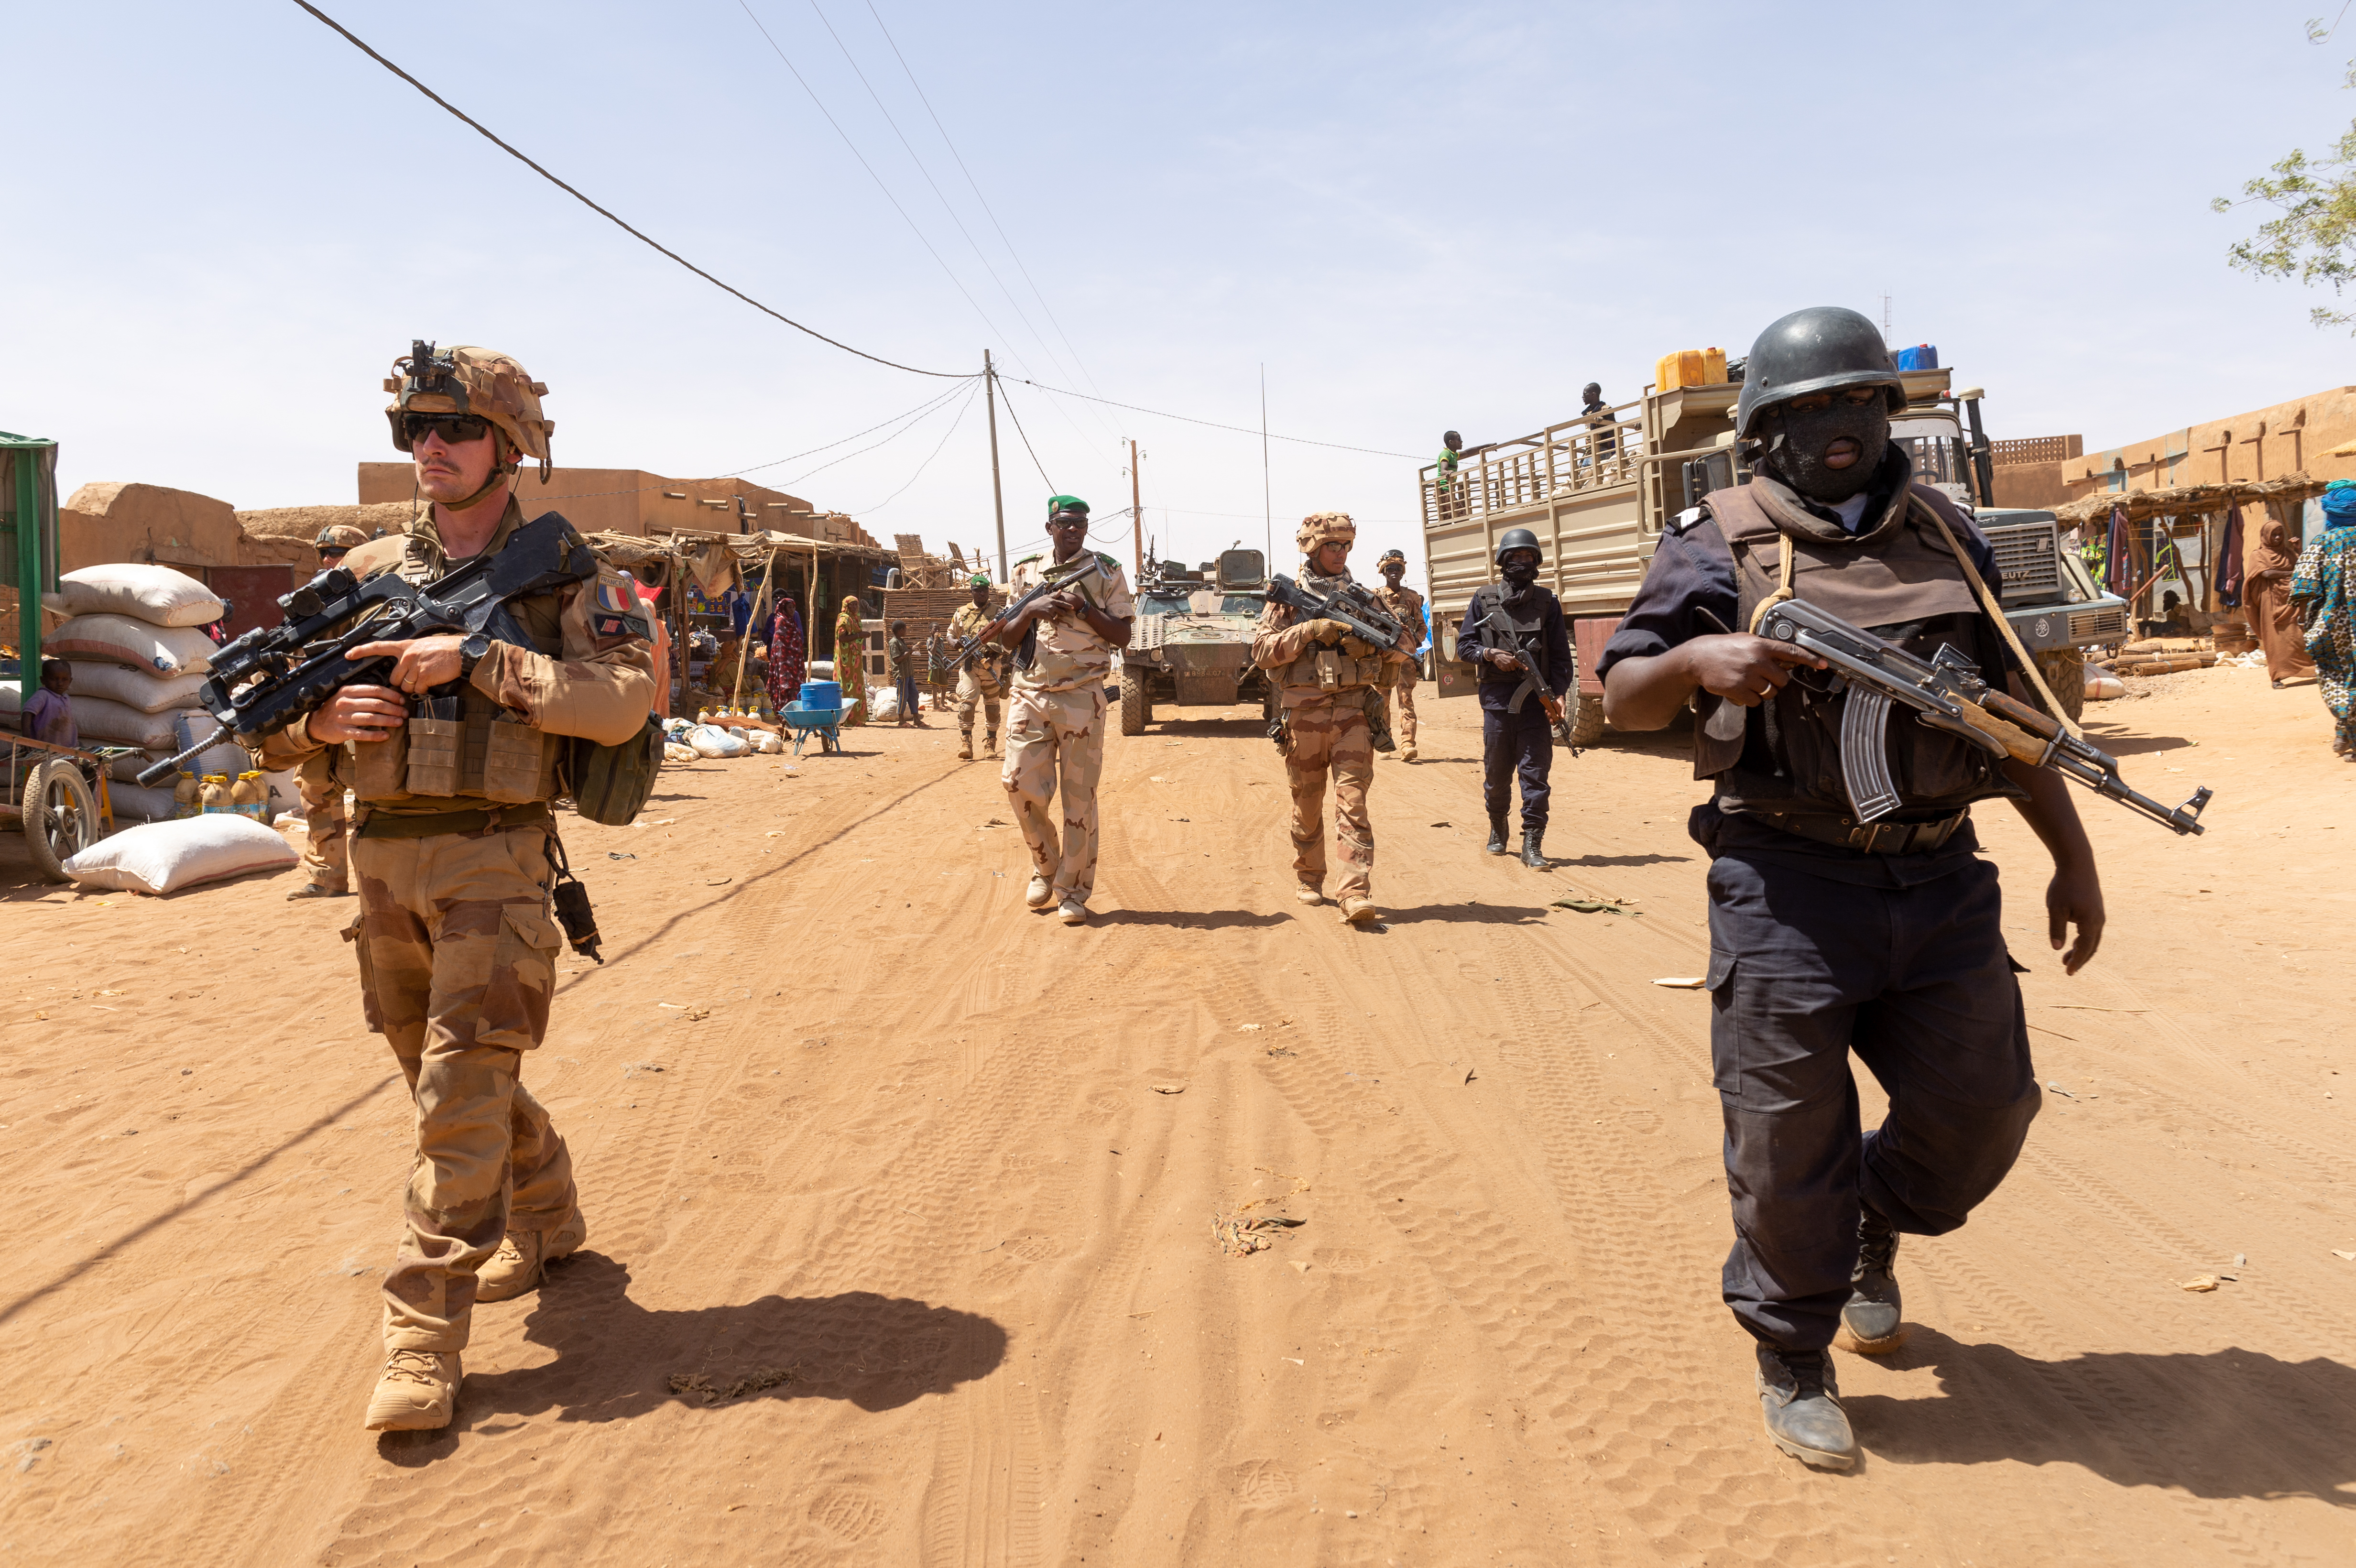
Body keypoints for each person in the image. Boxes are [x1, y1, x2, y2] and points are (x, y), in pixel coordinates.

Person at [1597, 305, 2104, 1473]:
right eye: (1811, 409)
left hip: (1939, 878)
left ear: (1890, 412)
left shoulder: (1944, 530)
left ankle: (1878, 1221)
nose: (1840, 427)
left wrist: (2072, 856)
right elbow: (1622, 691)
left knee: (1987, 1108)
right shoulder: (1714, 540)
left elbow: (2010, 713)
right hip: (1784, 884)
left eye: (1861, 404)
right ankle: (1792, 1349)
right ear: (1766, 429)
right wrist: (1693, 661)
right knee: (1786, 1138)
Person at [258, 343, 654, 1433]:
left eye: (454, 428)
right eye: (411, 431)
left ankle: (421, 1341)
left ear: (509, 444)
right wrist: (320, 723)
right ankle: (551, 1202)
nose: (428, 448)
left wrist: (483, 662)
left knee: (454, 1099)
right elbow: (269, 713)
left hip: (498, 858)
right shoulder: (363, 570)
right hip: (382, 863)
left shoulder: (581, 572)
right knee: (433, 1072)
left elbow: (622, 703)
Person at [1250, 512, 1418, 924]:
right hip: (1303, 715)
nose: (1340, 553)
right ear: (1312, 548)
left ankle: (1354, 892)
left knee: (1353, 804)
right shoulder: (1288, 599)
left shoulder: (1364, 598)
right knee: (1306, 805)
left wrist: (1367, 646)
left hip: (1353, 715)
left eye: (1345, 546)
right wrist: (1309, 631)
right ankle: (1309, 876)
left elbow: (1407, 645)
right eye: (1332, 546)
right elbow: (1261, 651)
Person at [993, 497, 1133, 924]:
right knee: (1017, 785)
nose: (1074, 530)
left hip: (1081, 696)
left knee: (1079, 800)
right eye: (1066, 524)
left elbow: (1124, 636)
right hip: (1029, 693)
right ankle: (1046, 866)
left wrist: (1085, 608)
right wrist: (1031, 609)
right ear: (1050, 526)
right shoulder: (1024, 573)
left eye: (1081, 524)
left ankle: (1072, 891)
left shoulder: (1106, 571)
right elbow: (1006, 639)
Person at [1456, 527, 1572, 868]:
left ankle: (1533, 843)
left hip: (1537, 705)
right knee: (1497, 775)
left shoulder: (1547, 603)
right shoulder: (1484, 599)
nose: (1522, 563)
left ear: (1537, 562)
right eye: (1515, 557)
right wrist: (1492, 655)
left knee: (1536, 776)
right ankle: (1497, 827)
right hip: (1497, 703)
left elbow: (1562, 658)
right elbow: (1465, 647)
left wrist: (1559, 694)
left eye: (1528, 557)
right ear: (1503, 562)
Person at [286, 528, 376, 898]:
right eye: (324, 552)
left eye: (339, 551)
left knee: (376, 797)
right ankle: (326, 878)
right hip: (319, 716)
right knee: (316, 793)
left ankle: (380, 879)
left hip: (364, 710)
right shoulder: (312, 601)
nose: (329, 558)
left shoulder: (375, 597)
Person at [2292, 478, 2356, 757]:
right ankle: (2345, 735)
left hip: (2334, 627)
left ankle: (2345, 731)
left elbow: (2303, 586)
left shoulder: (2323, 542)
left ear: (2331, 512)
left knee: (2339, 677)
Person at [2246, 504, 2317, 687]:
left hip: (2292, 602)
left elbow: (2303, 567)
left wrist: (2299, 550)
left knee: (2298, 636)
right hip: (2271, 603)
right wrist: (2290, 574)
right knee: (2275, 640)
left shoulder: (2288, 553)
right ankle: (2278, 677)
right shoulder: (2258, 555)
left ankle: (2310, 670)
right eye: (2274, 534)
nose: (2278, 538)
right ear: (2265, 536)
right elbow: (2266, 574)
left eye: (2280, 534)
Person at [1371, 548, 1428, 763]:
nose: (1394, 572)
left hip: (1405, 660)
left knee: (1406, 701)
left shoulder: (1412, 597)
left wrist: (1413, 643)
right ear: (1384, 572)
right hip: (1383, 659)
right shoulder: (1376, 596)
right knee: (1381, 701)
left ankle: (1408, 744)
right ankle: (1385, 743)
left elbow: (1422, 627)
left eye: (1397, 569)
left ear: (1403, 573)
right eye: (1390, 569)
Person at [946, 573, 1008, 761]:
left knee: (992, 705)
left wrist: (996, 650)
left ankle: (991, 744)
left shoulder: (999, 612)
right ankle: (967, 743)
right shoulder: (962, 612)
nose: (982, 594)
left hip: (992, 663)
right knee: (967, 703)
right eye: (978, 590)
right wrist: (956, 643)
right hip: (969, 665)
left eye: (985, 590)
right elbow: (951, 634)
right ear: (972, 592)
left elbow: (1009, 637)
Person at [20, 659, 76, 749]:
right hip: (44, 747)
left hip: (66, 747)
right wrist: (26, 739)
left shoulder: (66, 699)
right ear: (43, 680)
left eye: (65, 680)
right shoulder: (43, 696)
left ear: (70, 681)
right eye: (54, 679)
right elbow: (27, 713)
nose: (60, 684)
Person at [765, 593, 805, 714]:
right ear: (783, 608)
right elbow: (780, 644)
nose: (792, 610)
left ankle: (795, 713)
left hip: (795, 661)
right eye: (790, 608)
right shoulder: (781, 621)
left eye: (794, 608)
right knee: (786, 686)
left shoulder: (792, 621)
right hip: (784, 661)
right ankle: (785, 712)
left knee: (796, 686)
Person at [833, 592, 868, 725]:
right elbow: (842, 638)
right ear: (846, 606)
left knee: (857, 685)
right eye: (852, 604)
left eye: (856, 604)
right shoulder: (844, 619)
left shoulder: (855, 618)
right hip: (846, 658)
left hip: (855, 658)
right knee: (847, 685)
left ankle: (857, 717)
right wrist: (860, 635)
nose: (854, 607)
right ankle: (846, 719)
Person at [887, 619, 926, 727]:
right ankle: (901, 721)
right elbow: (896, 659)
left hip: (908, 673)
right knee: (903, 697)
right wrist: (910, 651)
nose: (906, 631)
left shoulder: (901, 641)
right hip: (902, 674)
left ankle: (916, 719)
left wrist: (910, 651)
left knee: (914, 696)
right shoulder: (894, 642)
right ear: (901, 630)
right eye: (905, 629)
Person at [1581, 382, 1618, 468]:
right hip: (1589, 452)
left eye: (1585, 394)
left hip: (1602, 451)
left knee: (1597, 477)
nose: (1583, 397)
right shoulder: (1587, 413)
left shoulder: (1605, 410)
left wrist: (1603, 423)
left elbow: (1614, 432)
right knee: (1581, 478)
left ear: (1593, 395)